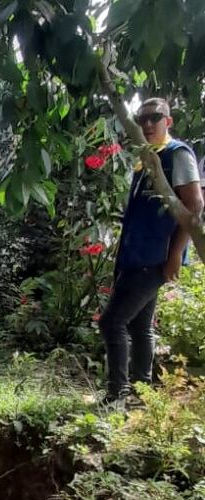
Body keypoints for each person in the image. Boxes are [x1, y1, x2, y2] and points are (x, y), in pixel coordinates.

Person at [99, 98, 204, 403]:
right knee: (138, 324)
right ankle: (141, 393)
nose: (147, 124)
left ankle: (117, 395)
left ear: (167, 122)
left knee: (112, 322)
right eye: (142, 118)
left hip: (155, 257)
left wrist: (175, 256)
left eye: (155, 118)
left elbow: (193, 209)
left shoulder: (177, 154)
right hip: (137, 255)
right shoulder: (147, 156)